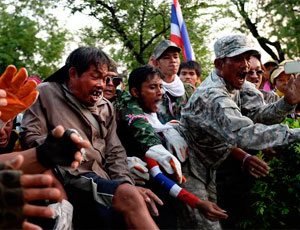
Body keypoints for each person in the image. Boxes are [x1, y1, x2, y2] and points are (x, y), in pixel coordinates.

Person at [20, 47, 162, 229]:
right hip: (66, 176)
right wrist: (59, 145)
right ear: (73, 74)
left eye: (105, 79)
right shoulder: (45, 93)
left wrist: (124, 183)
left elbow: (115, 152)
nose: (102, 85)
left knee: (140, 198)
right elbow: (29, 137)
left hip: (100, 179)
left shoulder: (106, 107)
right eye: (96, 77)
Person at [176, 34, 300, 229]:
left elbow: (261, 115)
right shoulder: (212, 96)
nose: (246, 65)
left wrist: (287, 102)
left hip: (212, 167)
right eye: (237, 59)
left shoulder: (239, 84)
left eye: (246, 58)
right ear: (219, 63)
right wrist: (297, 134)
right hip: (190, 168)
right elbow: (246, 134)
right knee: (205, 225)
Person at [117, 65, 228, 229]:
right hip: (151, 204)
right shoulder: (140, 129)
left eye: (161, 86)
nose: (160, 92)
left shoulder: (161, 122)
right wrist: (198, 203)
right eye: (152, 87)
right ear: (135, 92)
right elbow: (159, 178)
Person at [151, 40, 194, 124]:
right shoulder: (151, 90)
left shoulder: (188, 89)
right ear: (156, 63)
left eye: (175, 56)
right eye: (166, 57)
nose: (173, 60)